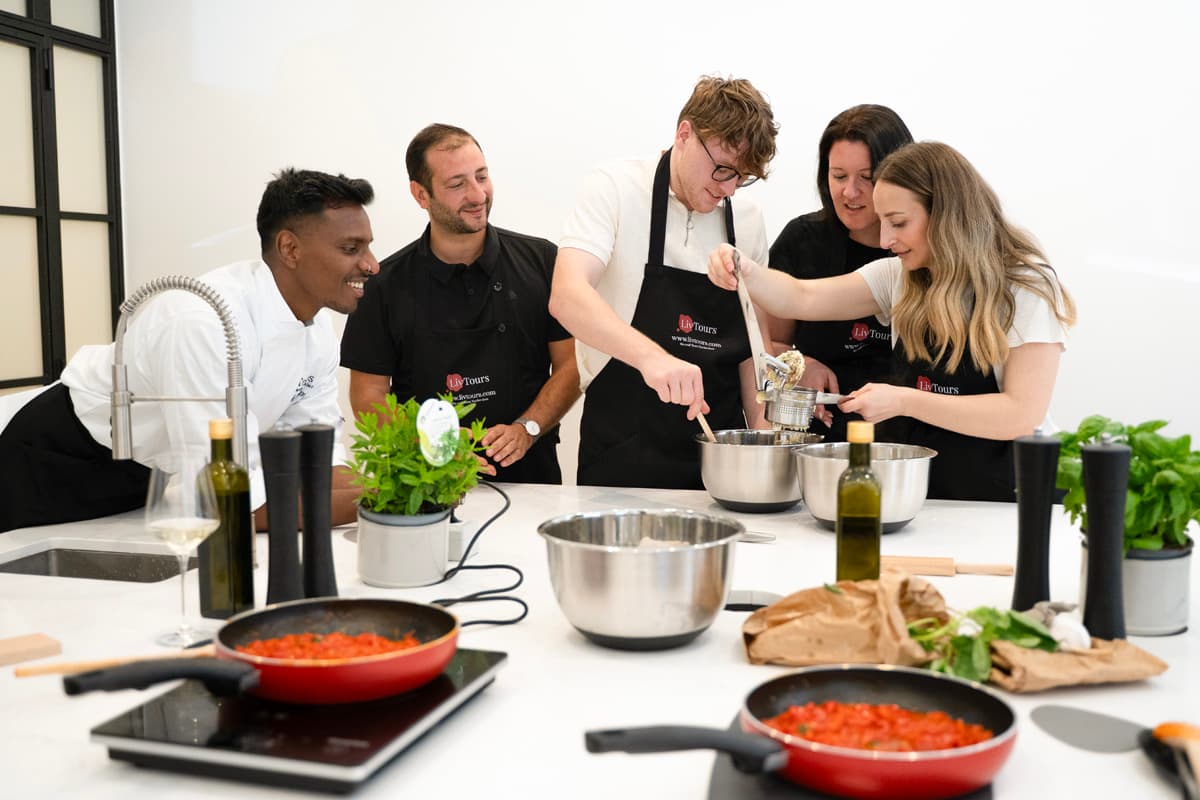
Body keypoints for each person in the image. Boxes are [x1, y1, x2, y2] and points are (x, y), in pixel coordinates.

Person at [0, 168, 379, 533]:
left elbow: (316, 459)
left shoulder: (317, 331)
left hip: (138, 475)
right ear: (289, 248)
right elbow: (230, 505)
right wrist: (388, 498)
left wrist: (408, 488)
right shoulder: (203, 321)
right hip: (47, 460)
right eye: (351, 248)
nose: (372, 265)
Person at [709, 141, 1076, 501]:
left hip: (1011, 502)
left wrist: (904, 400)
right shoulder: (899, 277)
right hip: (931, 497)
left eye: (898, 223)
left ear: (946, 215)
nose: (886, 239)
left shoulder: (1025, 288)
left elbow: (1020, 414)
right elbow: (800, 297)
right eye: (882, 222)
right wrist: (744, 269)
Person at [548, 76, 779, 489]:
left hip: (718, 455)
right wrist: (653, 359)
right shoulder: (615, 188)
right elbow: (567, 295)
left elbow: (753, 345)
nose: (726, 189)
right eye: (722, 168)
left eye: (741, 178)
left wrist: (764, 445)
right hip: (623, 448)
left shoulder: (746, 217)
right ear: (685, 134)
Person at [341, 124, 579, 484]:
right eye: (457, 184)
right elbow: (368, 397)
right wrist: (433, 443)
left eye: (481, 176)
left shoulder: (543, 261)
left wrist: (527, 428)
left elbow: (573, 364)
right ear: (421, 195)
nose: (477, 194)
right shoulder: (383, 286)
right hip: (424, 484)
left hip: (534, 480)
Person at [767, 104, 913, 440]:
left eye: (867, 177)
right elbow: (769, 343)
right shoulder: (802, 239)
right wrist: (799, 363)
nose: (850, 192)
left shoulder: (919, 248)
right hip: (819, 438)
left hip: (908, 443)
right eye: (838, 176)